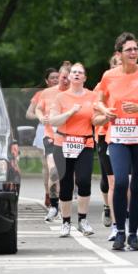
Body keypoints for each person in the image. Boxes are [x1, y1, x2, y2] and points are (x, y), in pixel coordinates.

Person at [94, 33, 138, 251]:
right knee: (120, 182)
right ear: (119, 54)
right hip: (118, 137)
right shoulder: (109, 76)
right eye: (129, 49)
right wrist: (105, 111)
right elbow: (98, 100)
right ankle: (119, 230)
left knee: (137, 184)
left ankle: (133, 234)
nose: (133, 52)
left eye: (136, 49)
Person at [48, 62, 96, 236]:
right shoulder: (61, 98)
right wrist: (70, 113)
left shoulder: (93, 96)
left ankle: (83, 219)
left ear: (84, 77)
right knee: (66, 183)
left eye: (80, 72)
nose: (76, 74)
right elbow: (53, 121)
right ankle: (66, 222)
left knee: (84, 180)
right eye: (73, 72)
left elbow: (95, 120)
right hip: (63, 144)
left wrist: (106, 118)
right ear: (69, 76)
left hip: (85, 143)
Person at [33, 63, 71, 222]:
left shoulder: (76, 94)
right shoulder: (47, 93)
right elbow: (38, 109)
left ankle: (64, 206)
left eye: (68, 78)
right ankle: (54, 206)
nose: (65, 81)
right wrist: (41, 116)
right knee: (53, 170)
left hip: (70, 138)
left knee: (68, 175)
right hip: (50, 137)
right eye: (63, 77)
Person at [93, 52, 121, 238]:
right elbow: (94, 115)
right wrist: (106, 118)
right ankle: (110, 211)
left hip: (130, 138)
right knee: (109, 181)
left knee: (123, 182)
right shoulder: (102, 86)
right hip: (105, 135)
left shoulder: (136, 83)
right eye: (118, 63)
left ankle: (124, 220)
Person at [26, 67, 59, 208]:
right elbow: (29, 114)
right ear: (46, 81)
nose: (56, 80)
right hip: (44, 130)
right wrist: (40, 117)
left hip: (61, 130)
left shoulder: (64, 93)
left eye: (58, 77)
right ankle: (48, 193)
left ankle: (59, 195)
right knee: (47, 165)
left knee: (61, 165)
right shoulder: (41, 94)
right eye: (52, 77)